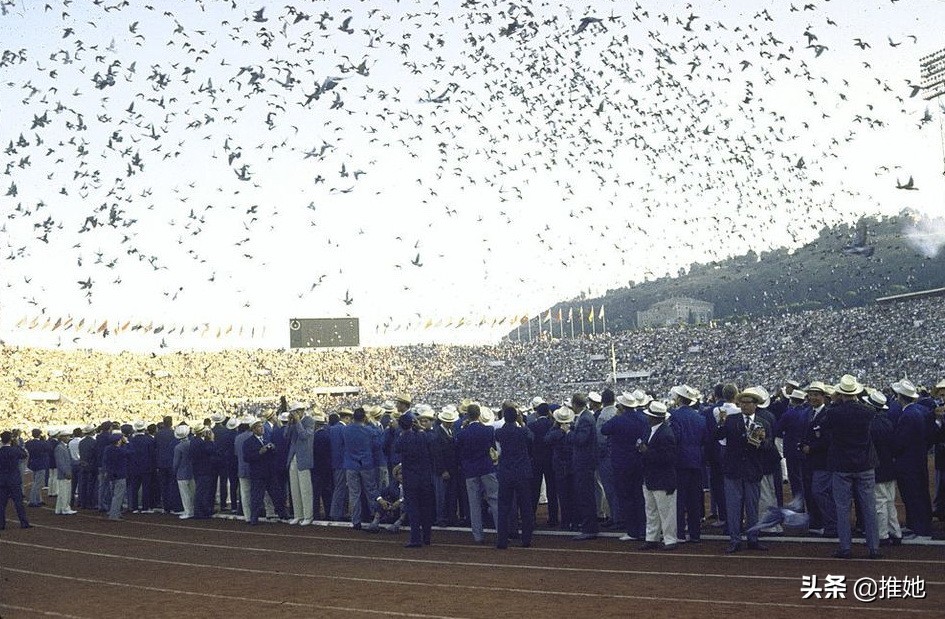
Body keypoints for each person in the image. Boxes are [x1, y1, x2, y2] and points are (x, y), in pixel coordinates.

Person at [822, 375, 881, 559]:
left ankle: (845, 547)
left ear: (840, 393)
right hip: (864, 464)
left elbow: (824, 428)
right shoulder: (868, 411)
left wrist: (833, 402)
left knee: (842, 508)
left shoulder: (833, 412)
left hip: (842, 465)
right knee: (869, 507)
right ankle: (873, 547)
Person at [717, 387, 773, 553]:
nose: (744, 406)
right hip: (733, 469)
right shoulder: (731, 420)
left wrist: (761, 441)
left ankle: (753, 538)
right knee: (733, 508)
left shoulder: (764, 422)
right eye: (742, 403)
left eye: (748, 403)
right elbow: (718, 436)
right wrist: (720, 423)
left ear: (755, 405)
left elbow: (769, 446)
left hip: (752, 470)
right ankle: (735, 540)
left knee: (752, 507)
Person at [603, 392, 650, 542]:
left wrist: (617, 415)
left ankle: (632, 530)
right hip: (639, 461)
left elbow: (604, 429)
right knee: (639, 496)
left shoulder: (618, 420)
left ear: (622, 406)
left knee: (626, 497)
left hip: (621, 463)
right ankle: (643, 529)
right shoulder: (643, 418)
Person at [890, 378, 933, 540]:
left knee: (912, 494)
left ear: (900, 396)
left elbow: (900, 442)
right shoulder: (920, 412)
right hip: (918, 459)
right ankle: (919, 525)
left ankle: (919, 527)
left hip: (908, 462)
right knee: (920, 493)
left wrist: (893, 451)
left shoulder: (907, 415)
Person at [455, 402, 499, 544]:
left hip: (470, 470)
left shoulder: (462, 433)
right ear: (479, 415)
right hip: (486, 468)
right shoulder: (488, 430)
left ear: (467, 415)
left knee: (474, 503)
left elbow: (458, 451)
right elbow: (492, 448)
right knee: (494, 500)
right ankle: (500, 531)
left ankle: (478, 536)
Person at [669, 384, 707, 543]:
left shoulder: (674, 416)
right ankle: (695, 533)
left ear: (679, 399)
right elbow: (705, 440)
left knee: (679, 499)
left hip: (680, 461)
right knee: (694, 499)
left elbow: (674, 438)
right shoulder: (700, 417)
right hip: (696, 460)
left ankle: (679, 533)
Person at [862, 389, 901, 546]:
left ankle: (882, 535)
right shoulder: (887, 422)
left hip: (877, 467)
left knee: (879, 503)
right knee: (890, 501)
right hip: (889, 466)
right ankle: (895, 532)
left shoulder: (870, 425)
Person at [639, 401, 679, 550]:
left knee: (666, 511)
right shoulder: (652, 430)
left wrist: (646, 451)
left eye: (649, 416)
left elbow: (668, 458)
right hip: (651, 477)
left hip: (662, 479)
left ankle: (670, 539)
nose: (647, 418)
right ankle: (652, 537)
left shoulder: (666, 434)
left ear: (655, 418)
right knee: (651, 510)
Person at [494, 403, 535, 549]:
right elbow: (531, 438)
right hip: (522, 472)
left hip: (506, 472)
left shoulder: (499, 433)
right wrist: (521, 422)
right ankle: (526, 539)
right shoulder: (523, 432)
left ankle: (502, 540)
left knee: (504, 507)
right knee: (525, 507)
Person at [394, 412, 436, 547]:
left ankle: (415, 539)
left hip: (410, 479)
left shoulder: (402, 439)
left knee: (413, 510)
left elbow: (396, 448)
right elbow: (432, 441)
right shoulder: (423, 436)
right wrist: (420, 429)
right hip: (425, 478)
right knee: (426, 508)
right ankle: (427, 537)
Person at [801, 381, 834, 537]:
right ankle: (816, 522)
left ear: (823, 397)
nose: (813, 398)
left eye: (816, 395)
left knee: (820, 493)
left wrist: (812, 448)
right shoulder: (808, 413)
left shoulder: (827, 414)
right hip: (809, 461)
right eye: (811, 395)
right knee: (810, 492)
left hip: (822, 461)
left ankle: (829, 524)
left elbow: (828, 439)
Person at [243, 419, 289, 525]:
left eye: (262, 426)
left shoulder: (267, 439)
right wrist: (259, 452)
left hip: (270, 472)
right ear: (253, 429)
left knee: (276, 494)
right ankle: (254, 518)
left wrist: (272, 449)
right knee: (257, 497)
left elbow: (274, 454)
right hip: (258, 474)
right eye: (259, 427)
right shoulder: (248, 442)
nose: (262, 428)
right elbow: (246, 457)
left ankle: (283, 514)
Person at [343, 408, 380, 531]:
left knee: (354, 494)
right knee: (371, 491)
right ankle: (374, 517)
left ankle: (356, 521)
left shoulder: (346, 429)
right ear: (364, 418)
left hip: (351, 464)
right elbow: (377, 443)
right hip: (366, 463)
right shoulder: (369, 430)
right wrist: (370, 423)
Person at [570, 392, 599, 541]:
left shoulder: (586, 418)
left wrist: (569, 432)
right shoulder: (586, 416)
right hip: (585, 462)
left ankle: (589, 528)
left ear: (575, 404)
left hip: (584, 462)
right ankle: (589, 526)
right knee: (586, 494)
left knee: (586, 495)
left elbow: (581, 439)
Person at [545, 405, 576, 531]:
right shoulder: (572, 429)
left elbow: (546, 439)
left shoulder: (556, 432)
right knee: (570, 495)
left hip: (562, 465)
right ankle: (572, 521)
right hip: (569, 465)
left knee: (565, 495)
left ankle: (567, 521)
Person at [285, 402, 316, 525]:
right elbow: (286, 436)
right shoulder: (293, 423)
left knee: (305, 489)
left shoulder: (309, 421)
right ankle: (298, 514)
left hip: (304, 458)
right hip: (293, 457)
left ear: (302, 411)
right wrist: (289, 423)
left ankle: (308, 515)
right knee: (295, 488)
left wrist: (297, 422)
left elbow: (304, 435)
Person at [527, 402, 557, 527]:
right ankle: (553, 518)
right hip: (550, 460)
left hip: (536, 460)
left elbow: (529, 442)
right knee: (552, 490)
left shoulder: (532, 425)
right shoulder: (552, 425)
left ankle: (531, 517)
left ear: (537, 413)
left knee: (534, 490)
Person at [431, 405, 461, 527]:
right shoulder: (437, 434)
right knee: (442, 495)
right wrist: (443, 470)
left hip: (452, 468)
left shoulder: (450, 431)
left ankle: (450, 517)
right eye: (448, 422)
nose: (451, 424)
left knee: (451, 495)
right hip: (443, 470)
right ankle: (441, 518)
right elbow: (437, 455)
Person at [0, 431, 31, 530]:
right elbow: (24, 454)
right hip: (14, 479)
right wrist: (17, 445)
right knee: (18, 502)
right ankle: (24, 522)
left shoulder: (1, 451)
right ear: (11, 439)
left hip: (2, 479)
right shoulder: (14, 450)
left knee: (1, 504)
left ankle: (1, 524)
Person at [328, 408, 353, 521]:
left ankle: (338, 512)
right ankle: (336, 513)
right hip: (343, 463)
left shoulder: (332, 429)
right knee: (340, 488)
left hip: (335, 462)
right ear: (347, 418)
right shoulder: (344, 429)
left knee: (339, 488)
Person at [127, 420, 155, 514]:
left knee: (134, 488)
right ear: (144, 428)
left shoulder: (131, 440)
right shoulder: (150, 440)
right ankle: (145, 507)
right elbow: (152, 454)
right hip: (146, 467)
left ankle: (134, 507)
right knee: (146, 488)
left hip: (134, 467)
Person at [190, 426, 218, 519]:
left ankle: (201, 510)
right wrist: (211, 440)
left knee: (201, 491)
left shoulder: (195, 441)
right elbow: (211, 451)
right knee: (203, 492)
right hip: (204, 469)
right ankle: (202, 511)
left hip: (199, 469)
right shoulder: (201, 443)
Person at [311, 409, 333, 520]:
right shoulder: (326, 434)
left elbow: (316, 453)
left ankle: (316, 514)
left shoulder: (317, 436)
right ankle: (328, 513)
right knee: (327, 492)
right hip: (327, 467)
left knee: (316, 493)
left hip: (318, 468)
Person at [102, 431, 129, 521]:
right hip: (120, 475)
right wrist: (127, 443)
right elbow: (130, 452)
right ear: (119, 441)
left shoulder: (107, 449)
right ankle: (114, 514)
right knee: (118, 496)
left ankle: (114, 511)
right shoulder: (119, 450)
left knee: (113, 494)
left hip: (111, 474)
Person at [173, 425, 195, 520]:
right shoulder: (192, 444)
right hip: (192, 472)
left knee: (185, 494)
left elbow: (176, 462)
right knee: (193, 493)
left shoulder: (178, 447)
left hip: (182, 473)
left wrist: (174, 470)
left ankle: (188, 511)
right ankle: (193, 510)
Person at [25, 428, 52, 507]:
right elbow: (49, 448)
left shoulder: (28, 443)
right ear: (39, 434)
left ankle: (38, 499)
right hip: (41, 464)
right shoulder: (42, 443)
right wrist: (44, 440)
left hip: (33, 463)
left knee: (36, 482)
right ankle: (33, 500)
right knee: (37, 483)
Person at [53, 430, 77, 515]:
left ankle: (59, 509)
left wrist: (79, 462)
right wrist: (66, 472)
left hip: (65, 473)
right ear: (61, 437)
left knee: (63, 492)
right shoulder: (60, 448)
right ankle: (65, 508)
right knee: (65, 492)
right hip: (64, 474)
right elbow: (60, 462)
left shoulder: (64, 447)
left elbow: (70, 460)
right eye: (66, 436)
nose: (68, 438)